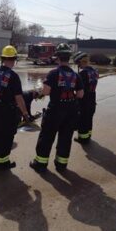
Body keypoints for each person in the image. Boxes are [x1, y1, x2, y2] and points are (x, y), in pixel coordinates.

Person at [30, 43, 84, 173]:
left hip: (55, 110)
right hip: (71, 110)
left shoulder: (53, 74)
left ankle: (41, 164)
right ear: (69, 58)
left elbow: (46, 91)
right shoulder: (76, 76)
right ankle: (61, 164)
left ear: (58, 58)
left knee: (47, 136)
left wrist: (40, 92)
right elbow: (81, 94)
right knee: (66, 137)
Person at [0, 45, 30, 170]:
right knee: (5, 136)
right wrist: (25, 113)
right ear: (13, 59)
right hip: (7, 111)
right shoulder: (13, 76)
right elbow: (18, 97)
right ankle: (1, 163)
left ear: (2, 58)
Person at [73, 51, 99, 144]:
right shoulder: (95, 71)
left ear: (82, 61)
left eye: (78, 63)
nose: (78, 66)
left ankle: (83, 138)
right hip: (92, 97)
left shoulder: (83, 74)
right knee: (89, 117)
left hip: (84, 99)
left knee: (82, 118)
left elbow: (78, 88)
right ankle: (88, 135)